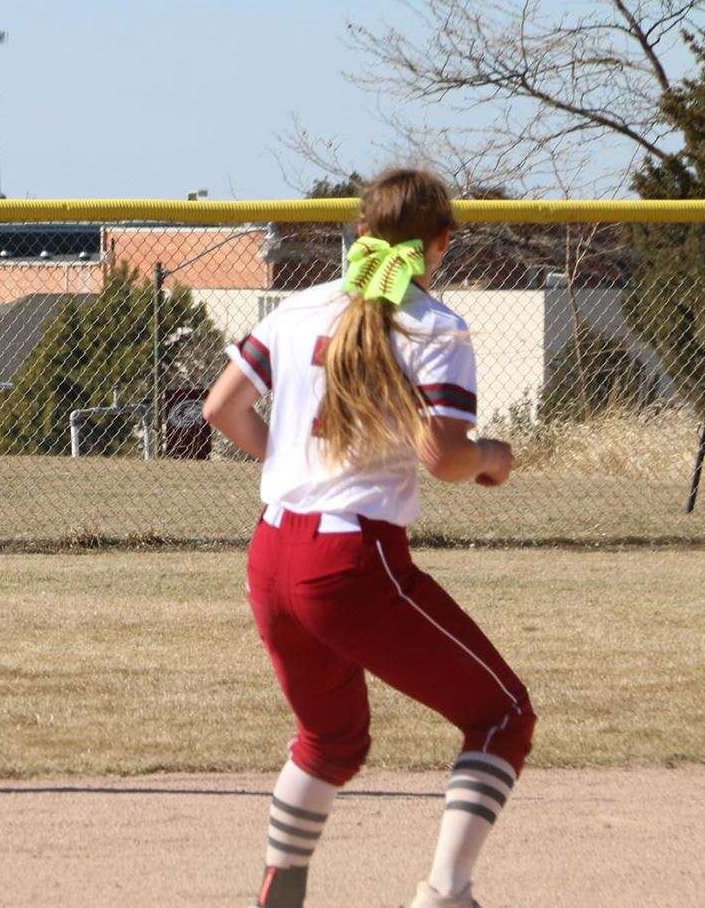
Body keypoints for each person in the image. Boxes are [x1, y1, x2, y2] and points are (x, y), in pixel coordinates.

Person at [204, 169, 536, 908]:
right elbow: (444, 457)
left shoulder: (298, 307)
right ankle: (446, 894)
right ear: (440, 244)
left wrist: (297, 459)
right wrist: (492, 457)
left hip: (270, 555)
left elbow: (221, 407)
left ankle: (281, 889)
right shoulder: (433, 325)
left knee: (330, 738)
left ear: (360, 232)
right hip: (350, 561)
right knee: (502, 714)